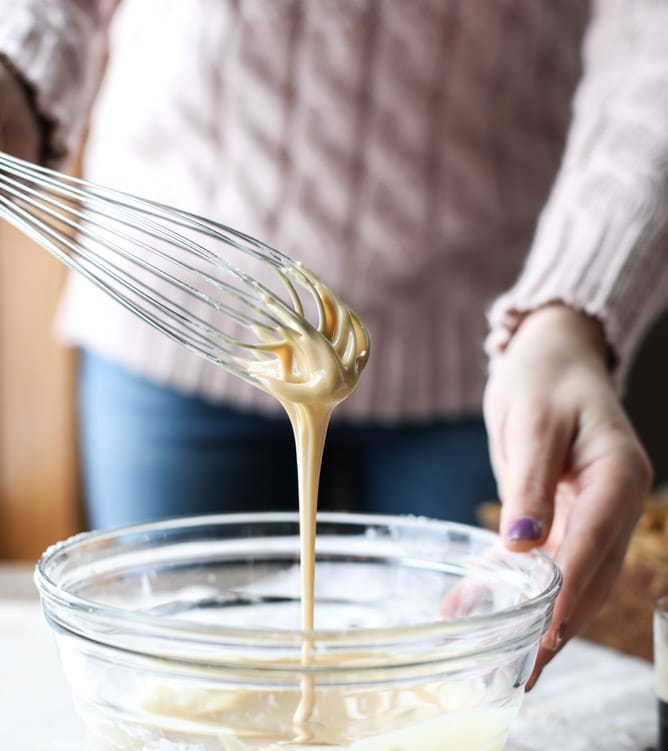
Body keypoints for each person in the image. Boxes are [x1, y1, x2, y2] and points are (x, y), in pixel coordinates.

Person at [0, 0, 665, 684]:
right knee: (171, 678)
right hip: (178, 301)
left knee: (464, 681)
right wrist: (15, 64)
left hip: (501, 350)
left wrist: (570, 314)